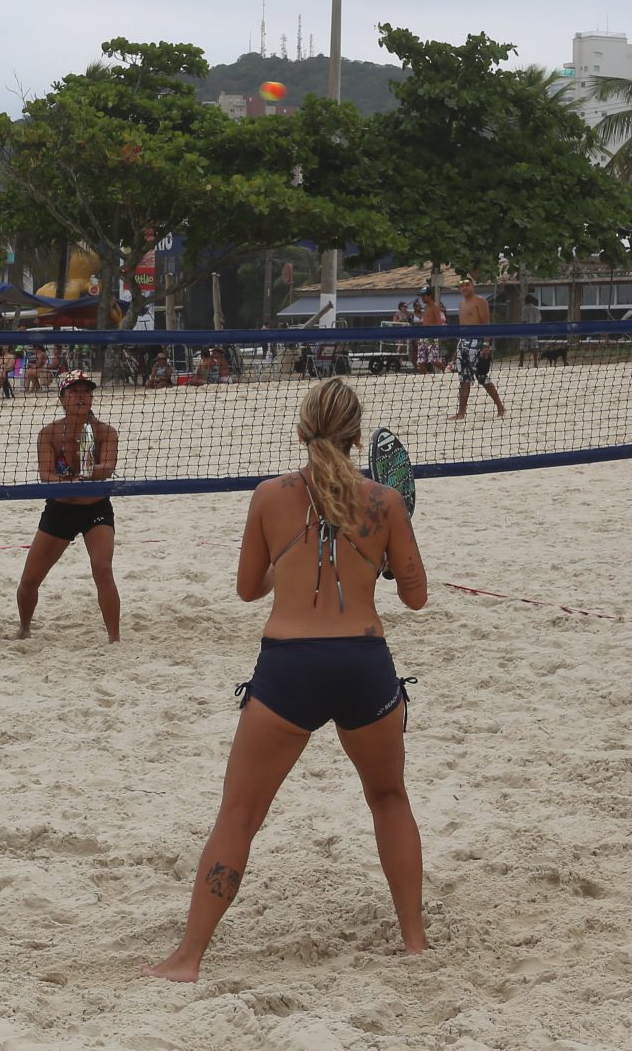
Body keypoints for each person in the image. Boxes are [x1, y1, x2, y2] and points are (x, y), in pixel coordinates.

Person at [144, 377, 428, 981]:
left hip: (291, 666)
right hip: (362, 663)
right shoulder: (385, 502)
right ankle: (414, 942)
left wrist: (289, 563)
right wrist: (384, 545)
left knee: (239, 815)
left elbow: (249, 589)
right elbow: (416, 597)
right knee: (389, 798)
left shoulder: (270, 497)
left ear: (301, 431)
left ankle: (188, 958)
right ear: (356, 435)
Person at [16, 369, 120, 641]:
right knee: (29, 581)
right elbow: (46, 474)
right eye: (74, 391)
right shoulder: (50, 433)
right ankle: (24, 629)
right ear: (62, 398)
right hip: (61, 508)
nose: (81, 396)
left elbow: (108, 468)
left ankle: (114, 639)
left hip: (95, 508)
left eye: (86, 391)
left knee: (102, 568)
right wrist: (72, 480)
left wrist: (85, 472)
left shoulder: (105, 432)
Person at [449, 276, 505, 419]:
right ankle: (461, 413)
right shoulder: (461, 304)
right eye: (462, 285)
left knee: (481, 376)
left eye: (467, 284)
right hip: (463, 342)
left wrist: (486, 344)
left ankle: (500, 407)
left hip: (477, 342)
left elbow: (486, 323)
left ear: (473, 286)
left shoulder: (480, 301)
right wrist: (457, 351)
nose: (464, 287)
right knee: (463, 379)